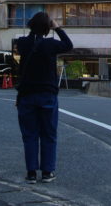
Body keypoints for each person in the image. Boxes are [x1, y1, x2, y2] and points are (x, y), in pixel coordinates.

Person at [15, 11, 73, 184]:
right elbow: (68, 45)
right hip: (47, 94)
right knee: (48, 134)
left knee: (30, 135)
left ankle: (31, 172)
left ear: (31, 25)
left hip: (26, 95)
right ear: (48, 27)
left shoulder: (22, 43)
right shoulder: (51, 45)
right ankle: (47, 172)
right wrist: (57, 28)